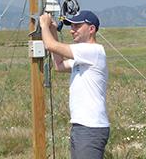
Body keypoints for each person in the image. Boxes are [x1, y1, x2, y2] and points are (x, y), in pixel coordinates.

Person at [39, 10, 110, 159]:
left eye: (77, 26)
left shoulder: (93, 50)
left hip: (90, 128)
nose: (72, 30)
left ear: (91, 29)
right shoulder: (83, 57)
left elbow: (51, 45)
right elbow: (58, 65)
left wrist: (44, 26)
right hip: (81, 126)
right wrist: (52, 30)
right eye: (71, 26)